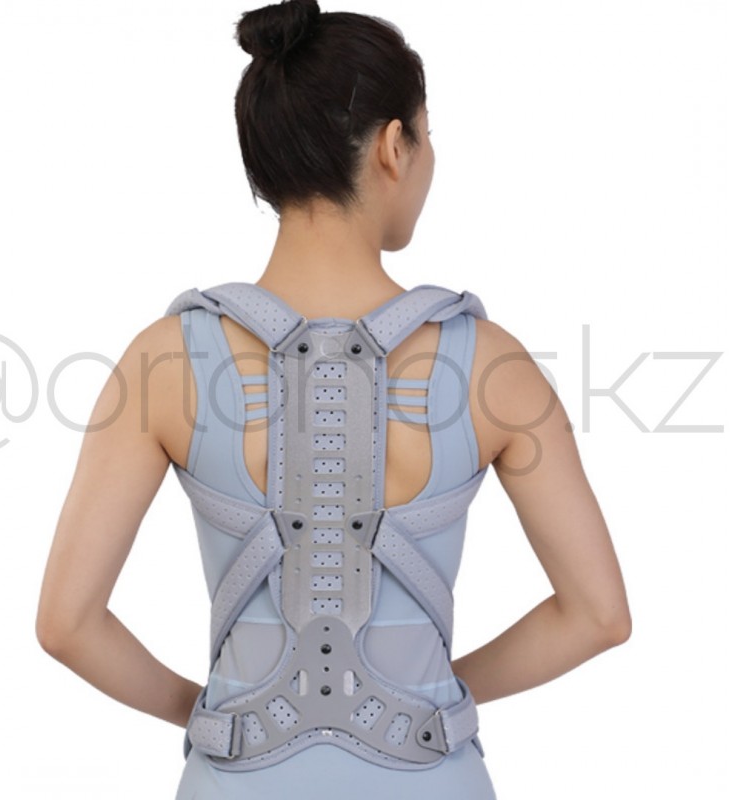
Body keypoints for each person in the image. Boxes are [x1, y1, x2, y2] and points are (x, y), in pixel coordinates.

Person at [35, 1, 632, 797]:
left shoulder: (164, 360)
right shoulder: (491, 364)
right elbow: (598, 615)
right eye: (427, 135)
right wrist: (432, 698)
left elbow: (67, 624)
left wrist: (215, 715)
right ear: (393, 146)